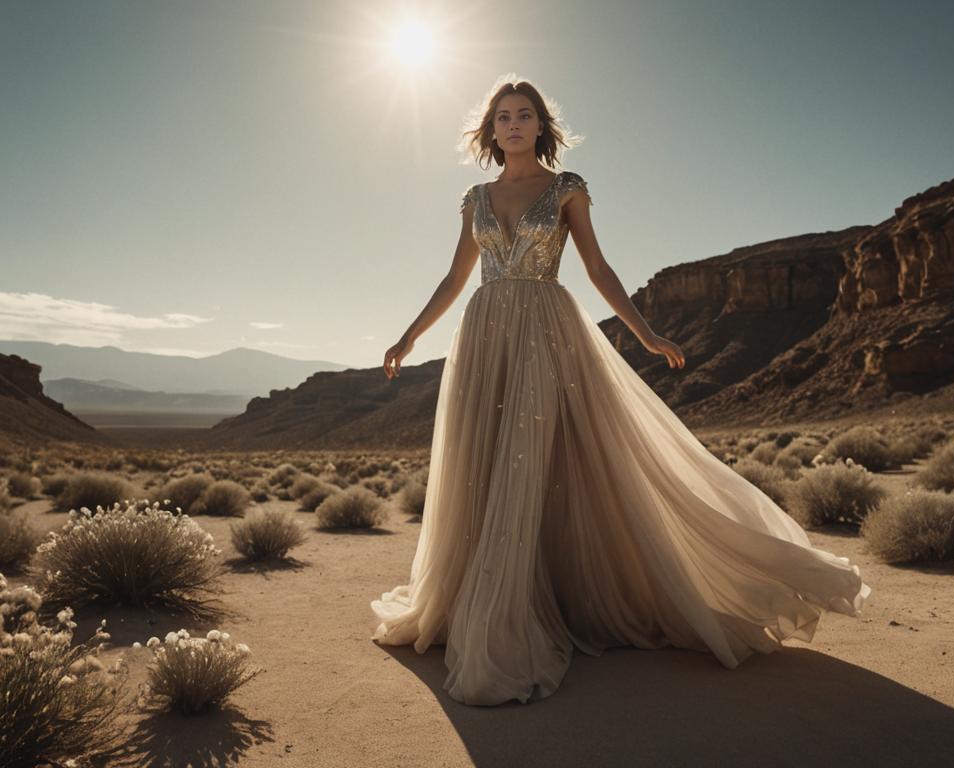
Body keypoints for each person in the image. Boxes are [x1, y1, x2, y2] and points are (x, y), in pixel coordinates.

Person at [371, 76, 870, 707]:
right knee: (483, 466)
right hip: (482, 336)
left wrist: (648, 332)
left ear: (541, 125)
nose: (514, 125)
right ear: (491, 130)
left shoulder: (565, 189)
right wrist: (411, 336)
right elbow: (454, 277)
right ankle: (476, 600)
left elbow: (597, 268)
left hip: (543, 336)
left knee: (531, 462)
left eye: (525, 115)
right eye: (503, 117)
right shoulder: (475, 197)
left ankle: (512, 613)